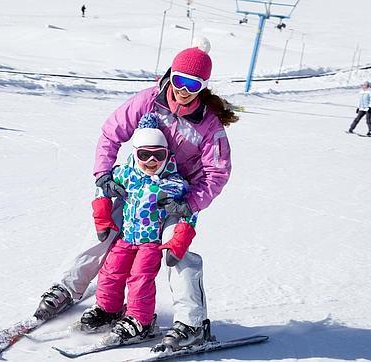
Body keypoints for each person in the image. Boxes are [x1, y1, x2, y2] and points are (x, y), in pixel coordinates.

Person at [33, 38, 238, 351]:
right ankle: (67, 288)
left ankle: (191, 322)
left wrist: (188, 203)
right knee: (103, 232)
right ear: (171, 74)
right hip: (138, 187)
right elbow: (111, 133)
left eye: (193, 84)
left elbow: (217, 173)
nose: (184, 89)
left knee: (176, 252)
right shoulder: (148, 101)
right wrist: (104, 174)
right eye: (180, 80)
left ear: (203, 86)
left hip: (176, 197)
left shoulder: (208, 125)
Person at [80, 114, 197, 341]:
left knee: (140, 278)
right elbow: (102, 187)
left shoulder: (173, 183)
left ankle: (141, 320)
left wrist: (180, 238)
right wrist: (102, 215)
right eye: (144, 155)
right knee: (110, 272)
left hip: (151, 243)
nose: (151, 161)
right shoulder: (126, 174)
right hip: (126, 238)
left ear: (167, 155)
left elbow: (189, 212)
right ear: (135, 153)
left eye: (158, 155)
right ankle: (108, 309)